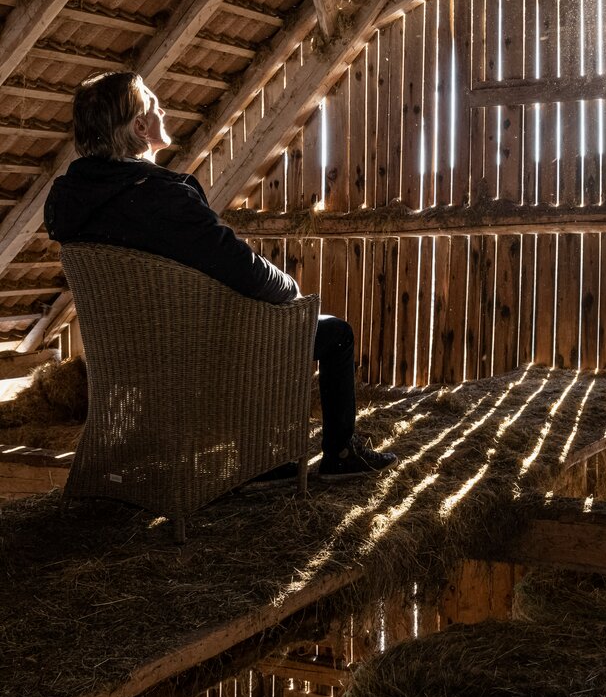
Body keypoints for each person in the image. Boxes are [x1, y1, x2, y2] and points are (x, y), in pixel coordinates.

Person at [44, 71, 396, 482]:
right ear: (139, 126)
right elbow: (240, 268)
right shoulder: (163, 198)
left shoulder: (68, 202)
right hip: (202, 353)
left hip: (142, 356)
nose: (163, 110)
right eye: (154, 104)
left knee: (254, 315)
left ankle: (269, 461)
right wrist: (291, 291)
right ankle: (338, 455)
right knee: (333, 333)